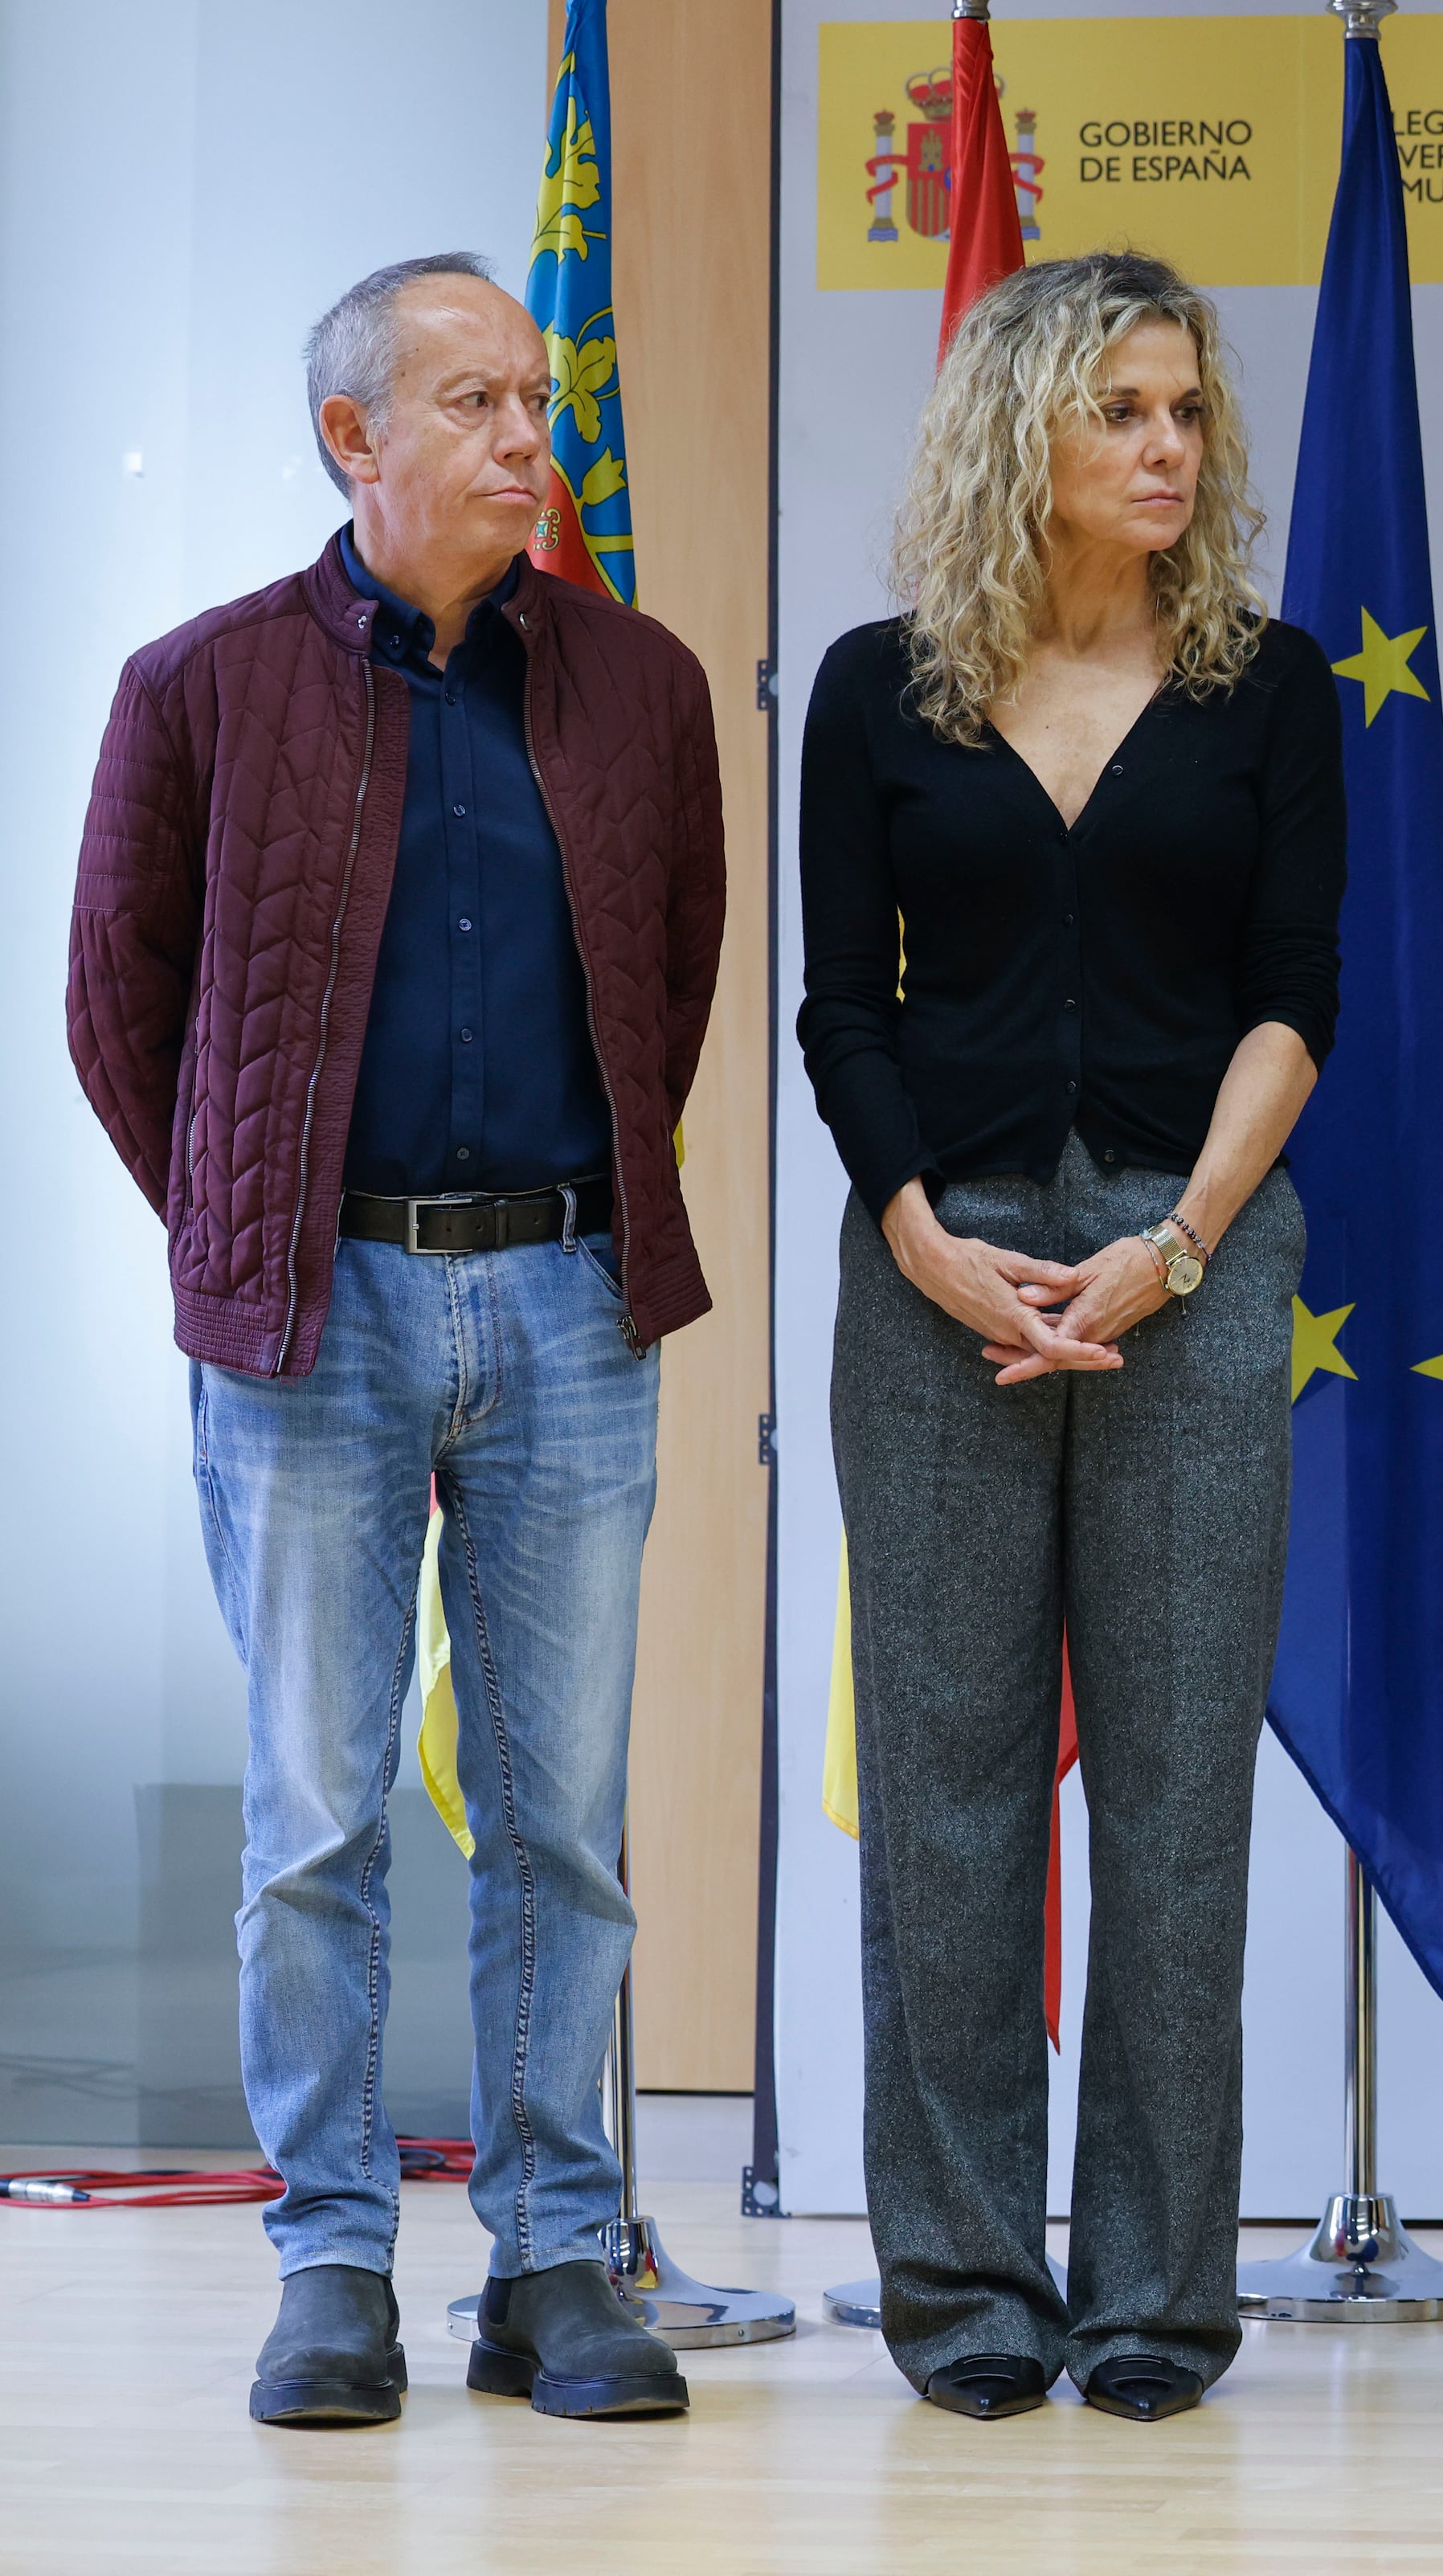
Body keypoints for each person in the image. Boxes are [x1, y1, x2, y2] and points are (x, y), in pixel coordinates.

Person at [67, 254, 727, 2427]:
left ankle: (555, 2259)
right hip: (309, 1311)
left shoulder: (639, 686)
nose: (528, 438)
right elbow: (118, 1005)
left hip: (564, 1290)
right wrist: (255, 1227)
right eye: (473, 404)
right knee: (317, 1812)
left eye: (531, 401)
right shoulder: (199, 689)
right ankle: (329, 2258)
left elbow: (677, 973)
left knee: (558, 1819)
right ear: (353, 440)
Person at [798, 251, 1343, 2425]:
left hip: (1190, 1268)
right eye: (1124, 407)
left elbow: (1302, 997)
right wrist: (922, 1231)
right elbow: (847, 1002)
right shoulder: (877, 686)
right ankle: (961, 2293)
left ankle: (1151, 2303)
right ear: (1023, 427)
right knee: (942, 1807)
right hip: (936, 1266)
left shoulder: (1270, 687)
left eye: (1187, 413)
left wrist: (1180, 1245)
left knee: (1182, 1809)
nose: (1168, 448)